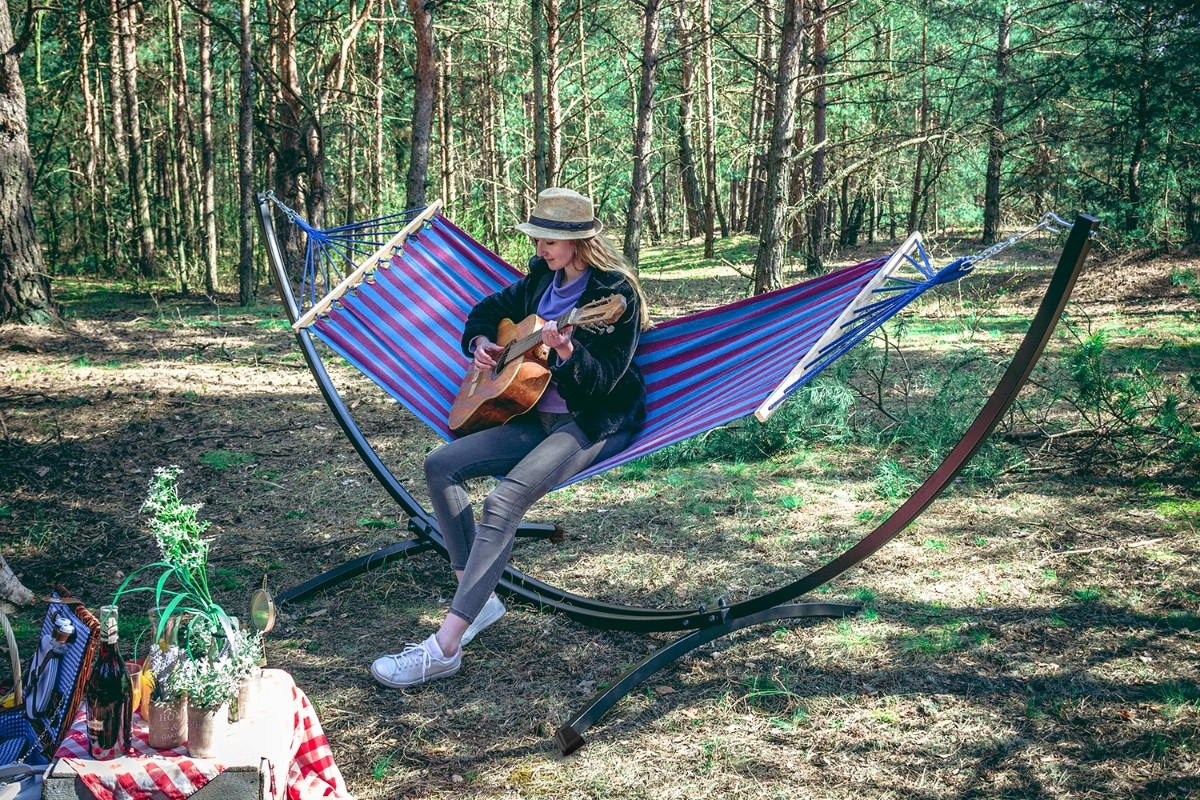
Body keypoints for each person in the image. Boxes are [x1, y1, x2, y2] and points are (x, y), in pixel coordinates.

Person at [371, 187, 650, 688]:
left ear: (579, 242)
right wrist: (481, 344)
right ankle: (477, 600)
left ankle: (445, 646)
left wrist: (565, 353)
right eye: (538, 238)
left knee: (502, 504)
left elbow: (603, 380)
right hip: (531, 415)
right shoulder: (541, 276)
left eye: (548, 240)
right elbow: (487, 311)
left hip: (592, 422)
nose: (540, 247)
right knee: (441, 465)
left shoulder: (615, 296)